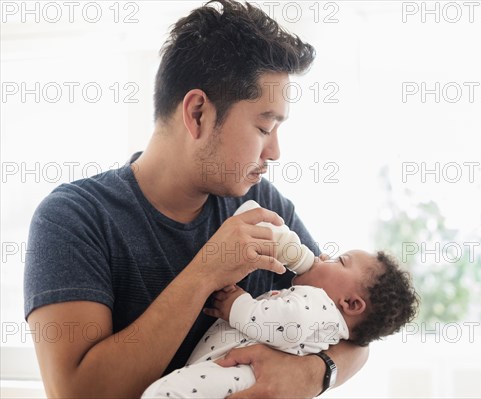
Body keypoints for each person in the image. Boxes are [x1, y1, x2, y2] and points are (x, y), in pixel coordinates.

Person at [24, 1, 370, 397]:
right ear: (198, 113)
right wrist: (206, 271)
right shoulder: (73, 218)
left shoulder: (266, 207)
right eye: (263, 126)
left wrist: (312, 374)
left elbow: (356, 329)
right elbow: (76, 393)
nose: (274, 152)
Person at [141, 201, 419, 398]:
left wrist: (236, 304)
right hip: (226, 368)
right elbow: (254, 218)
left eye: (339, 260)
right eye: (262, 127)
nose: (323, 257)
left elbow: (277, 321)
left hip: (243, 375)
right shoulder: (324, 310)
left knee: (166, 393)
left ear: (351, 304)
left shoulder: (320, 309)